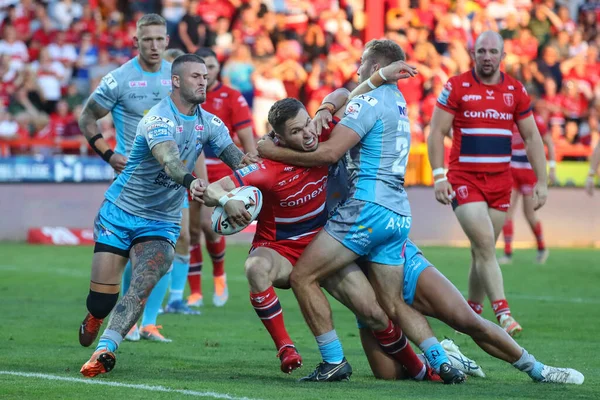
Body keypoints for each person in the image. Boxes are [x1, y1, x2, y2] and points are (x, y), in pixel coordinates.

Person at [205, 96, 468, 382]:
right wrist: (226, 200)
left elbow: (345, 93)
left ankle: (420, 371)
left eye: (307, 124)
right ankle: (290, 350)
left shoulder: (325, 134)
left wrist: (324, 110)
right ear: (278, 138)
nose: (307, 133)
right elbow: (213, 189)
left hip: (323, 243)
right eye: (296, 131)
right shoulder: (265, 167)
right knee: (255, 269)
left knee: (373, 314)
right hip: (280, 247)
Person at [257, 39, 464, 383]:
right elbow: (341, 92)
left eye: (362, 65)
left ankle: (334, 360)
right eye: (297, 130)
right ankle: (439, 361)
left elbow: (328, 155)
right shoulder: (393, 101)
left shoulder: (364, 104)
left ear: (373, 67)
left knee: (302, 277)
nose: (356, 70)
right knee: (388, 306)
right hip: (396, 212)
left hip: (364, 211)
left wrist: (271, 152)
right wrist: (324, 108)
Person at [79, 54, 255, 377]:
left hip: (161, 221)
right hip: (120, 213)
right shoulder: (157, 118)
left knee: (144, 281)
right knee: (101, 301)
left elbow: (239, 161)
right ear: (175, 81)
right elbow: (171, 162)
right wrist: (196, 185)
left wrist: (263, 169)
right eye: (195, 77)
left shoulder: (210, 123)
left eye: (205, 76)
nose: (204, 81)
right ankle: (95, 316)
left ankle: (105, 349)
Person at [427, 31, 549, 337]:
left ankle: (471, 312)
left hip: (500, 183)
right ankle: (503, 313)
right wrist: (439, 175)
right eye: (481, 51)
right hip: (464, 180)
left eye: (493, 51)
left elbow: (533, 137)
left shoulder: (515, 90)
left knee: (482, 252)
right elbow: (436, 132)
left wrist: (542, 180)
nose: (486, 57)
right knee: (484, 245)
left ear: (502, 56)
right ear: (472, 54)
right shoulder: (456, 86)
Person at [78, 14, 181, 343]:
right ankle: (103, 313)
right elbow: (87, 118)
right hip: (131, 185)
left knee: (163, 254)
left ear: (167, 41)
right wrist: (108, 154)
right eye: (147, 39)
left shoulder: (177, 78)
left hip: (171, 183)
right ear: (135, 42)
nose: (154, 45)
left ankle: (146, 322)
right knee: (123, 258)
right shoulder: (118, 79)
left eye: (159, 39)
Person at [356, 239, 584, 384]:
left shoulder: (352, 171)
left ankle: (538, 370)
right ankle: (445, 357)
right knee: (387, 374)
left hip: (401, 264)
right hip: (363, 286)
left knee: (467, 321)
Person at [185, 47, 256, 308]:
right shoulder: (187, 99)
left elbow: (246, 138)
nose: (206, 73)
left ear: (217, 69)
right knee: (190, 232)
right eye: (201, 68)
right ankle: (195, 293)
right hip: (188, 169)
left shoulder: (231, 96)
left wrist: (251, 170)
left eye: (211, 67)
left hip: (220, 171)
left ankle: (218, 276)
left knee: (208, 225)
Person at [498, 106, 557, 265]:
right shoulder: (509, 119)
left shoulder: (534, 119)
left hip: (529, 172)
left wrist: (551, 167)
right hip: (512, 170)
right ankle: (508, 252)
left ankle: (542, 248)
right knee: (507, 211)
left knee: (529, 214)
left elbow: (549, 142)